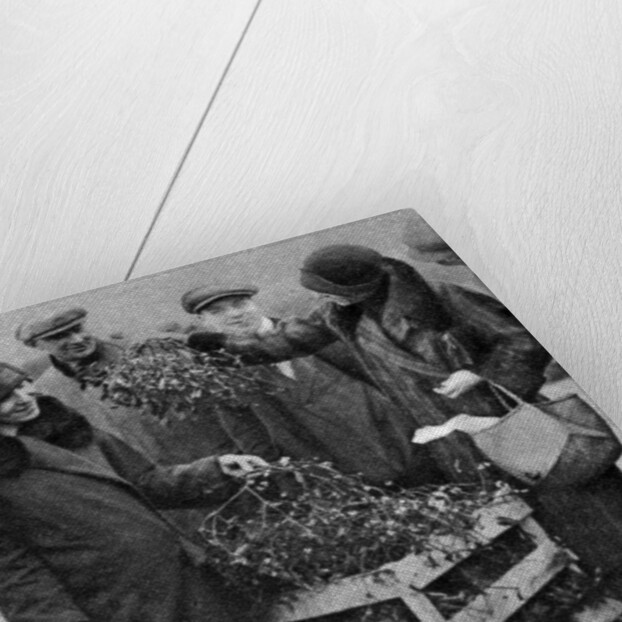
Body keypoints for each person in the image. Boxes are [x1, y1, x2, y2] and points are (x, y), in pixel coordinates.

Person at [188, 245, 552, 484]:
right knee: (506, 497)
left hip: (501, 414)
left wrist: (479, 371)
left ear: (354, 287)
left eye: (323, 289)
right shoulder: (336, 313)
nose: (316, 297)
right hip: (442, 430)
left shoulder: (439, 296)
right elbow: (289, 341)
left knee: (560, 484)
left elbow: (525, 337)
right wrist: (223, 348)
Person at [0, 362, 268, 622]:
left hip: (185, 573)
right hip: (121, 604)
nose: (24, 398)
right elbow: (18, 578)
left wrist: (216, 469)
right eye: (6, 397)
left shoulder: (68, 430)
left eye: (24, 385)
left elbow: (144, 481)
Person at [181, 284, 425, 485]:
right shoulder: (219, 372)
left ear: (254, 303)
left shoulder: (311, 331)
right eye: (217, 312)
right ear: (202, 321)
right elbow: (248, 434)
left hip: (407, 442)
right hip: (343, 474)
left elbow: (383, 378)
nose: (234, 314)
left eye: (239, 304)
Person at [15, 308, 234, 464]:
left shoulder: (146, 349)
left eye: (78, 329)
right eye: (59, 337)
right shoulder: (49, 391)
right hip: (157, 482)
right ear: (36, 345)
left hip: (218, 458)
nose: (78, 339)